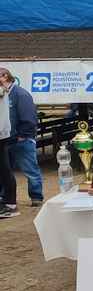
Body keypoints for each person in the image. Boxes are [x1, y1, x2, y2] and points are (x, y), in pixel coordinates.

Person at [0, 67, 43, 206]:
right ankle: (5, 197)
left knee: (30, 170)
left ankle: (36, 197)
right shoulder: (4, 94)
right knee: (5, 171)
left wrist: (23, 135)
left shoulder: (20, 94)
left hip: (21, 140)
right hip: (6, 139)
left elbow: (29, 117)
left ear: (5, 76)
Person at [0, 81, 17, 219]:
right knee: (4, 169)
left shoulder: (2, 91)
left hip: (1, 134)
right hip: (3, 134)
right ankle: (9, 203)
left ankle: (9, 204)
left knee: (4, 169)